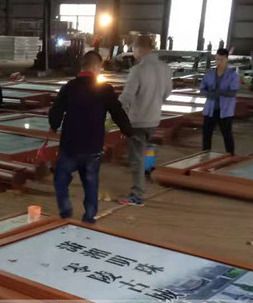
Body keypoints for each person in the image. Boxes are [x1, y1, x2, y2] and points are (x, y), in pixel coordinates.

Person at [48, 50, 133, 224]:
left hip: (70, 144)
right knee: (90, 182)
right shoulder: (105, 89)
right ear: (96, 67)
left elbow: (56, 110)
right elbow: (118, 113)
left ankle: (65, 212)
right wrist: (129, 131)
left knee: (60, 179)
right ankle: (89, 217)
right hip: (93, 146)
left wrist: (54, 125)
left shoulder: (69, 87)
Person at [117, 34, 173, 206]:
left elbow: (127, 97)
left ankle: (137, 195)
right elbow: (167, 93)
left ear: (138, 49)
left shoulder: (138, 70)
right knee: (143, 150)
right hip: (154, 118)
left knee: (136, 157)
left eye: (133, 49)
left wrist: (112, 109)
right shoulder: (165, 68)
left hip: (138, 120)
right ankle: (146, 176)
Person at [200, 47, 240, 155]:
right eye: (217, 59)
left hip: (225, 111)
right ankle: (205, 155)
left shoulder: (232, 75)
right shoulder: (209, 74)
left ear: (226, 59)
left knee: (227, 134)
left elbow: (233, 93)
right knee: (206, 134)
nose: (219, 62)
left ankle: (231, 155)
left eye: (221, 59)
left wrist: (219, 92)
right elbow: (202, 90)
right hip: (210, 110)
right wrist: (209, 94)